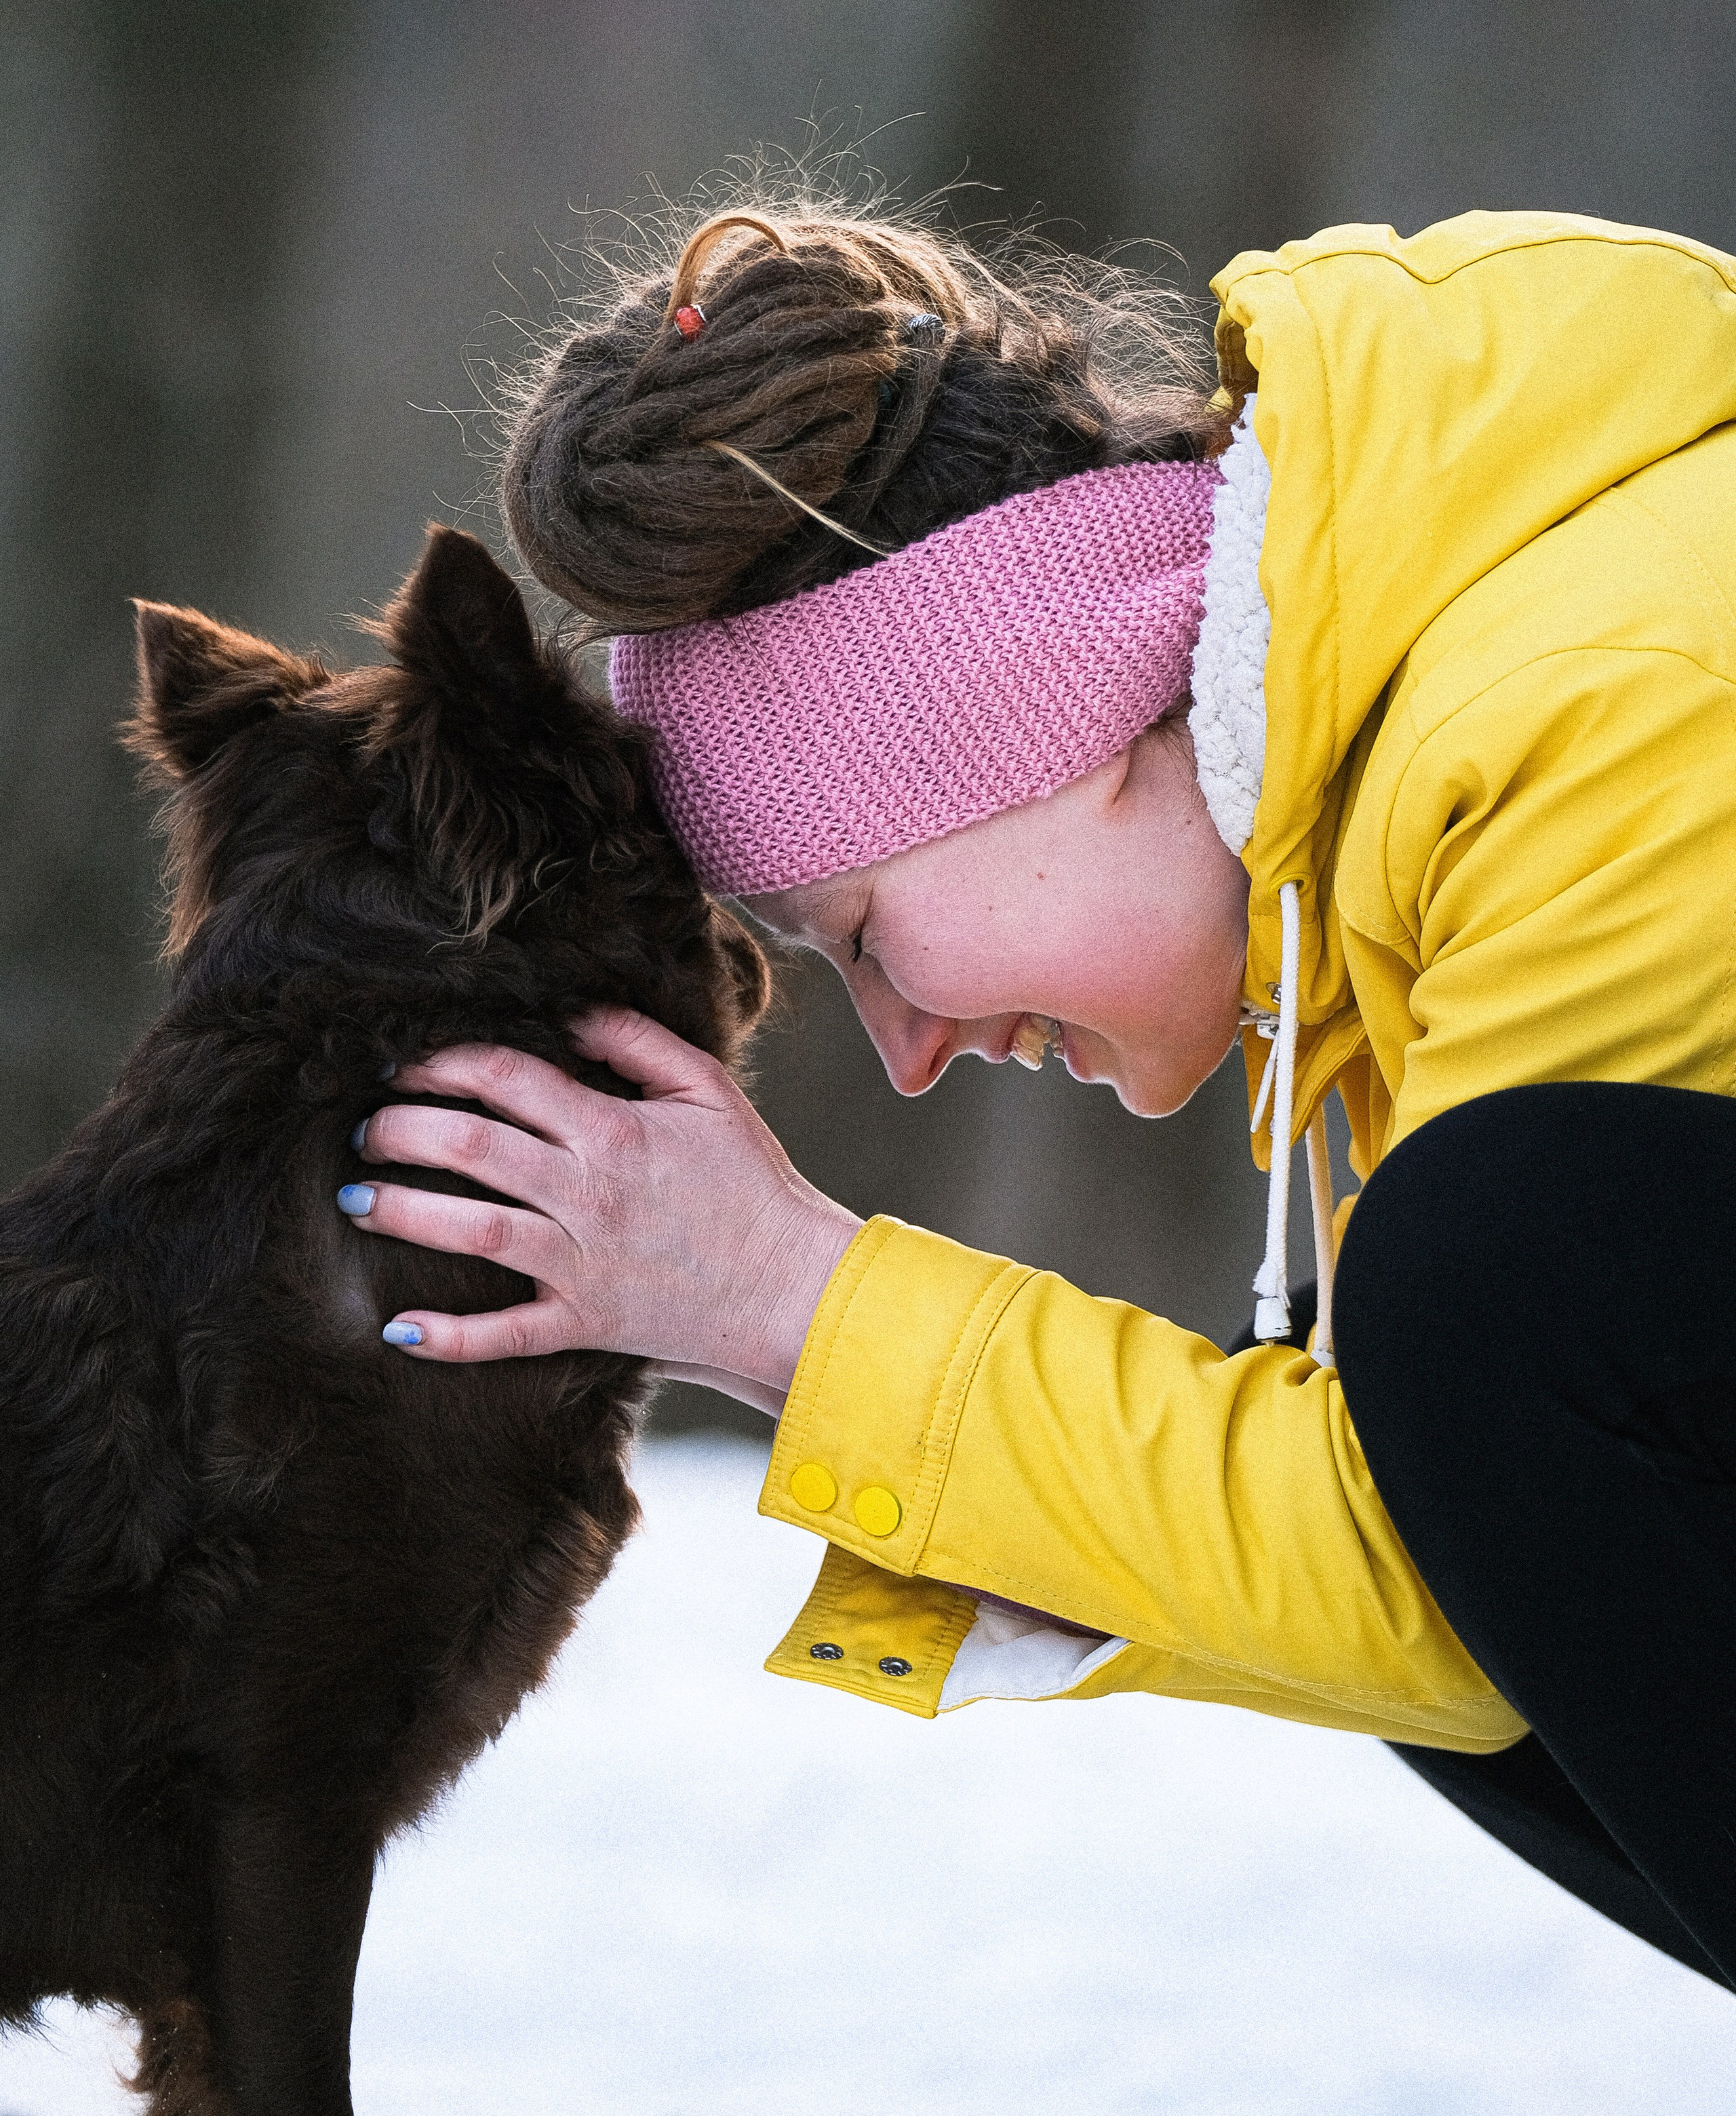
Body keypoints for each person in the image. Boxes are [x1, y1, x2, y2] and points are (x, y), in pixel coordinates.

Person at [336, 200, 1736, 1987]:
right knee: (1428, 1344)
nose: (910, 1045)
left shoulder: (1607, 710)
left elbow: (1424, 1586)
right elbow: (1488, 1610)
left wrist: (792, 1302)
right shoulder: (1469, 727)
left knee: (1479, 1297)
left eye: (855, 930)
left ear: (1038, 729)